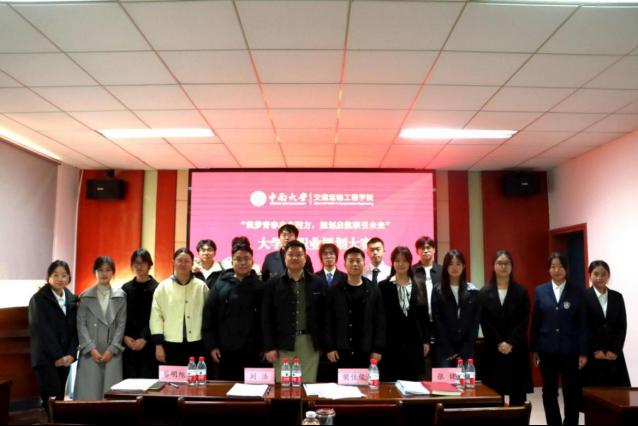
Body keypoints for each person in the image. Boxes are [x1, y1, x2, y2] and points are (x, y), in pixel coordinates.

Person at [531, 252, 588, 426]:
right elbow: (536, 321)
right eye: (553, 267)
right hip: (546, 350)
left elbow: (583, 324)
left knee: (571, 391)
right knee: (549, 392)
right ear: (548, 269)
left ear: (566, 268)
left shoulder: (578, 291)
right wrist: (534, 348)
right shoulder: (540, 291)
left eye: (560, 266)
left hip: (570, 350)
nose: (557, 270)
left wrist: (583, 352)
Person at [262, 240, 326, 383]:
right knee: (283, 386)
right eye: (291, 255)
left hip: (309, 344)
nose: (295, 258)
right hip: (282, 344)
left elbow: (325, 316)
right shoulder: (273, 283)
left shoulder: (317, 282)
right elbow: (266, 317)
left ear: (305, 257)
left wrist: (324, 345)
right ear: (285, 257)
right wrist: (269, 347)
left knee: (307, 386)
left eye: (299, 254)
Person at [202, 242, 264, 381]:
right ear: (232, 262)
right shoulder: (220, 285)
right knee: (227, 387)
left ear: (252, 261)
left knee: (253, 389)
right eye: (238, 259)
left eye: (246, 259)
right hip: (225, 350)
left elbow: (266, 319)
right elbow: (208, 316)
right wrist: (212, 346)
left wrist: (266, 346)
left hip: (253, 350)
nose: (242, 263)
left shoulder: (260, 286)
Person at [478, 250, 532, 405]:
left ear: (512, 266)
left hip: (516, 348)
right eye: (499, 263)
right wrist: (499, 342)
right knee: (495, 395)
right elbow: (484, 321)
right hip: (493, 349)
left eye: (506, 263)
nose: (503, 266)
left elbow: (524, 320)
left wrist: (510, 342)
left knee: (518, 395)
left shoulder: (521, 292)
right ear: (493, 266)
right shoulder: (483, 293)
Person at [325, 247, 385, 372]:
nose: (355, 264)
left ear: (364, 263)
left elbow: (380, 322)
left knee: (367, 384)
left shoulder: (374, 290)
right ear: (344, 264)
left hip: (367, 352)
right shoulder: (334, 290)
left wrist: (378, 349)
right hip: (340, 352)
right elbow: (327, 321)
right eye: (351, 261)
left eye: (358, 260)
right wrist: (330, 347)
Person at [28, 260, 78, 410]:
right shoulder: (38, 299)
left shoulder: (72, 299)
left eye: (64, 275)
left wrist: (71, 354)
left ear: (69, 278)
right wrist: (57, 356)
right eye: (55, 275)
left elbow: (75, 330)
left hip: (65, 360)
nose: (60, 279)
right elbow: (42, 331)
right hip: (46, 360)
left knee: (60, 401)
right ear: (48, 277)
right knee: (51, 402)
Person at [75, 256, 126, 400]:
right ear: (94, 272)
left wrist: (112, 349)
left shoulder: (121, 296)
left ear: (113, 273)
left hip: (112, 352)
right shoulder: (85, 296)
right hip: (91, 351)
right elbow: (81, 324)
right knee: (89, 394)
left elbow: (121, 325)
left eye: (108, 270)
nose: (104, 273)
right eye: (100, 270)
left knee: (110, 395)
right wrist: (90, 348)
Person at [151, 248, 209, 366]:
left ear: (192, 263)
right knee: (174, 375)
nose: (183, 264)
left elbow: (209, 314)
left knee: (195, 375)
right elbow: (156, 317)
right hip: (170, 342)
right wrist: (158, 344)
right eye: (179, 260)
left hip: (197, 342)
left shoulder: (201, 287)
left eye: (187, 261)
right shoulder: (163, 287)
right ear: (173, 262)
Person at [379, 247, 429, 381]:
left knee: (412, 381)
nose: (401, 264)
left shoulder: (419, 284)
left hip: (414, 342)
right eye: (397, 260)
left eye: (405, 261)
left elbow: (424, 316)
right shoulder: (383, 286)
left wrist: (426, 341)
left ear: (410, 262)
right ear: (392, 262)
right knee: (391, 381)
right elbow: (380, 319)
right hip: (391, 343)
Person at [583, 260, 630, 387]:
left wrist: (615, 350)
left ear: (608, 275)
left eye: (604, 274)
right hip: (593, 354)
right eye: (596, 274)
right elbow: (584, 326)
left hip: (613, 354)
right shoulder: (583, 296)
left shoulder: (617, 297)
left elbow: (622, 326)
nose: (600, 277)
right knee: (594, 392)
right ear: (590, 275)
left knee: (618, 392)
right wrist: (595, 349)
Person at [431, 249, 480, 367]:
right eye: (451, 264)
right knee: (445, 379)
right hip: (444, 349)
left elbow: (475, 323)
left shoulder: (472, 290)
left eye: (458, 264)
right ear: (445, 267)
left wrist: (466, 348)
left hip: (466, 349)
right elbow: (438, 322)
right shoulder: (437, 290)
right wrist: (449, 349)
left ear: (464, 266)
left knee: (465, 379)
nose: (455, 267)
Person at [121, 248, 159, 379]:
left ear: (149, 265)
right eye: (136, 263)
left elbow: (157, 317)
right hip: (128, 343)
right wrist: (125, 336)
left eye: (143, 263)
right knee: (128, 381)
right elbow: (121, 316)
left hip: (149, 344)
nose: (139, 266)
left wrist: (145, 338)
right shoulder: (125, 288)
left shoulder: (157, 288)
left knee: (148, 381)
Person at [411, 236, 441, 378]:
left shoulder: (442, 271)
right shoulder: (412, 271)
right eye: (422, 248)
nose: (426, 251)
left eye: (429, 248)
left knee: (439, 361)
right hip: (419, 322)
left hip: (439, 322)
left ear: (434, 250)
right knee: (421, 362)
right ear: (417, 251)